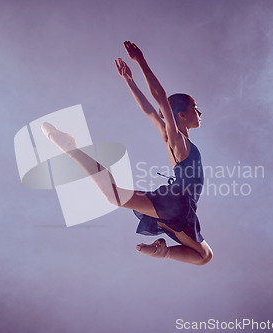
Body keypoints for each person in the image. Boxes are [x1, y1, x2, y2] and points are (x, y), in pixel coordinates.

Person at [42, 41, 212, 265]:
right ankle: (165, 253)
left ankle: (70, 148)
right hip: (178, 203)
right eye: (194, 107)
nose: (199, 111)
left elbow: (151, 111)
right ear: (179, 115)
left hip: (177, 205)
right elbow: (160, 99)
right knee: (204, 257)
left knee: (204, 256)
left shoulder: (172, 138)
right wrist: (141, 62)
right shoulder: (178, 140)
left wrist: (130, 82)